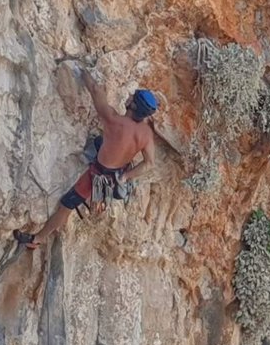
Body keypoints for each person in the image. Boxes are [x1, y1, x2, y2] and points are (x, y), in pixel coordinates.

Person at [15, 66, 161, 248]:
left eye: (132, 96)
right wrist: (125, 177)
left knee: (66, 205)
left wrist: (82, 71)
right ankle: (100, 195)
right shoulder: (146, 134)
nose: (129, 96)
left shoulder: (113, 120)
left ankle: (37, 239)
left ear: (133, 105)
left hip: (97, 175)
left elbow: (95, 90)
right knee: (99, 141)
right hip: (116, 175)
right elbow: (149, 164)